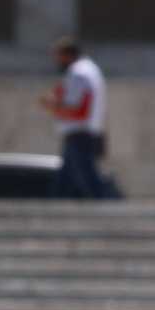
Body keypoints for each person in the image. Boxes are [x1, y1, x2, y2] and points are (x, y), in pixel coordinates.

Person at [40, 37, 119, 200]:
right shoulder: (90, 70)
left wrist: (53, 105)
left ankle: (108, 208)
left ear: (67, 55)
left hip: (79, 133)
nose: (57, 61)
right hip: (84, 132)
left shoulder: (78, 73)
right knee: (65, 180)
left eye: (58, 56)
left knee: (88, 178)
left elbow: (77, 108)